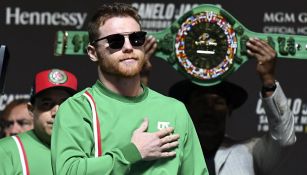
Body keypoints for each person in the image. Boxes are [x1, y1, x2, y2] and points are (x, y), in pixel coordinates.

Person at [51, 3, 208, 175]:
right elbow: (67, 172)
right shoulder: (78, 108)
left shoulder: (175, 110)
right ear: (92, 52)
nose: (128, 47)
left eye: (136, 39)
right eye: (115, 41)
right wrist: (133, 152)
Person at [169, 38, 296, 175]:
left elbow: (284, 139)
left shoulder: (250, 152)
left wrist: (268, 80)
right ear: (188, 108)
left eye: (218, 102)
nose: (209, 110)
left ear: (229, 109)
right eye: (201, 102)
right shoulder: (167, 154)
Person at [0, 68, 78, 175]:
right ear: (31, 110)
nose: (56, 112)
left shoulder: (89, 150)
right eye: (46, 104)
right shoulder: (6, 150)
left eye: (65, 104)